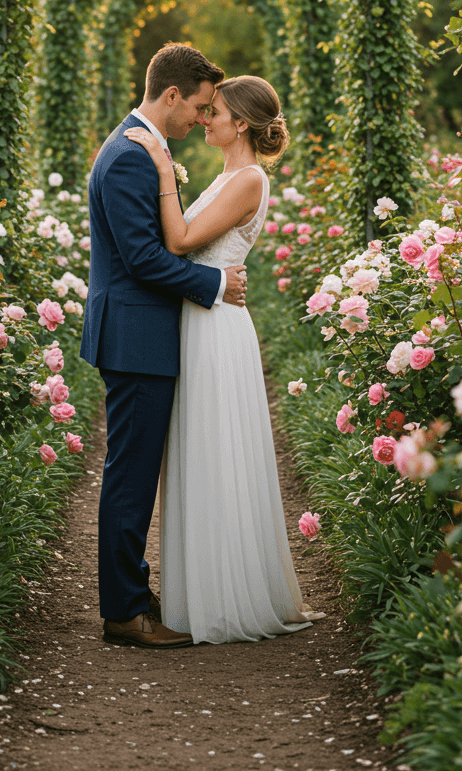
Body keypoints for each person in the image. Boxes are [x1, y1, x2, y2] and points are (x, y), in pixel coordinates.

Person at [124, 75, 319, 643]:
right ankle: (200, 591)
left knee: (215, 449)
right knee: (200, 450)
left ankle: (226, 597)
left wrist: (163, 172)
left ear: (243, 123)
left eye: (216, 112)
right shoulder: (230, 175)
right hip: (202, 317)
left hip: (216, 328)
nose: (206, 119)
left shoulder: (249, 178)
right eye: (206, 110)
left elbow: (181, 242)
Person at [81, 43, 249, 649]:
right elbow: (145, 258)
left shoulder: (137, 147)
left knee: (136, 470)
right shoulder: (130, 154)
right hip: (135, 334)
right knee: (131, 475)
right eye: (199, 107)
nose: (201, 120)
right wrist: (216, 283)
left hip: (138, 332)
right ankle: (124, 612)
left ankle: (133, 592)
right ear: (172, 94)